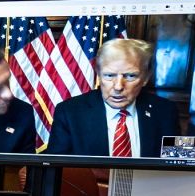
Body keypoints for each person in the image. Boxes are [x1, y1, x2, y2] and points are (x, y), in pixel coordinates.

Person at [47, 38, 181, 158]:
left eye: (130, 76)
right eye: (109, 75)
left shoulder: (165, 111)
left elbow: (177, 166)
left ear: (145, 78)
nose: (118, 87)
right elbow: (57, 172)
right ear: (99, 75)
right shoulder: (70, 112)